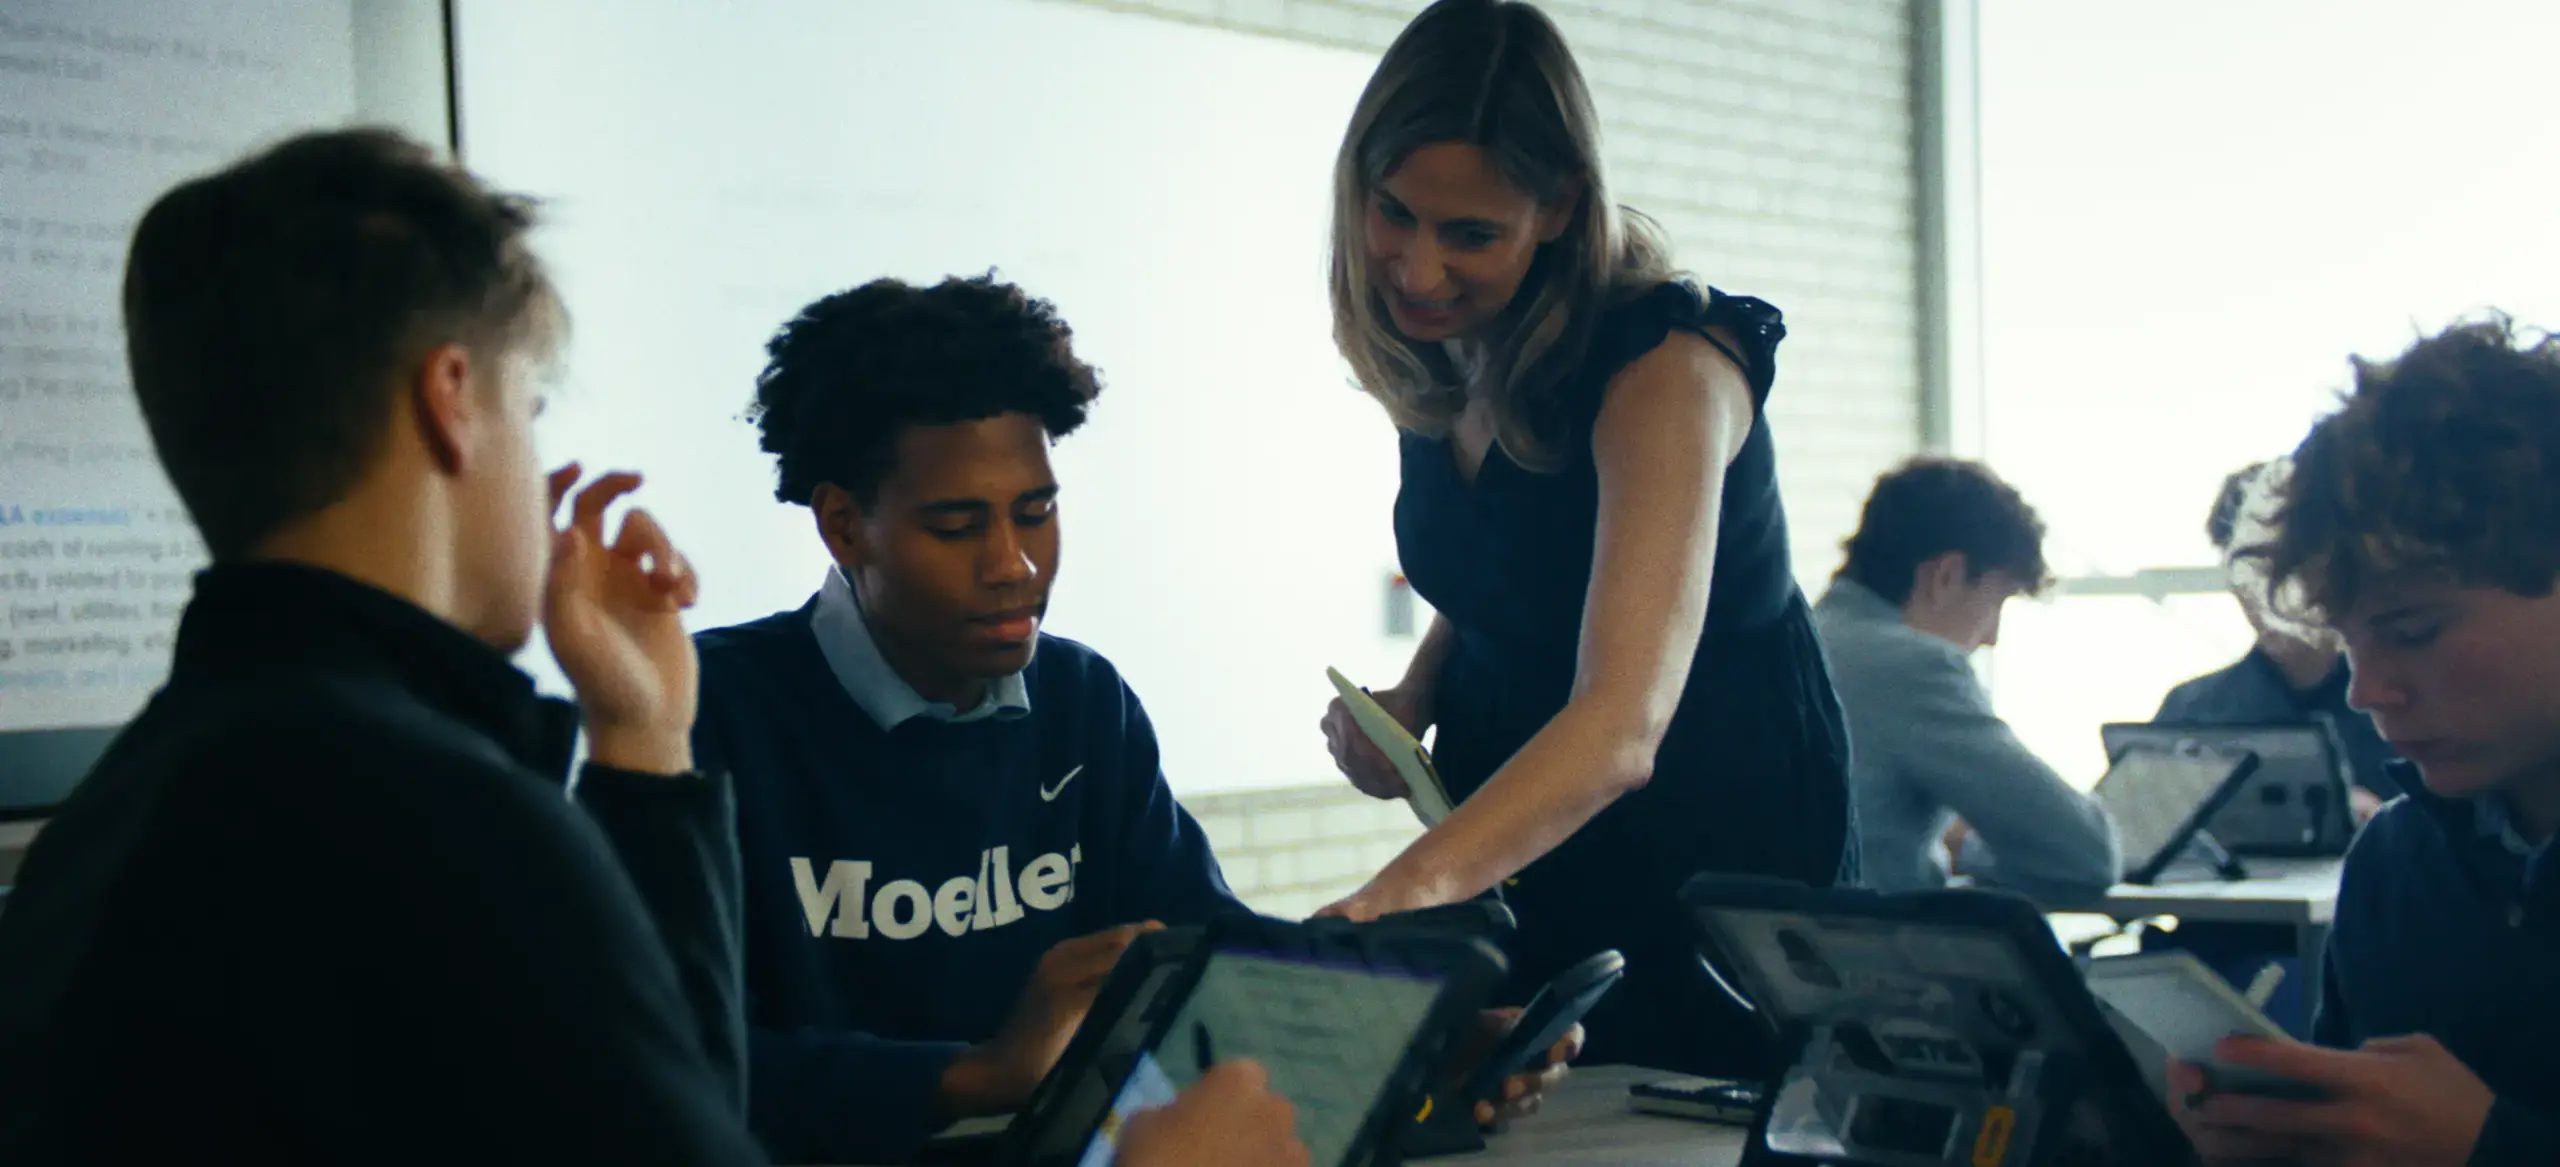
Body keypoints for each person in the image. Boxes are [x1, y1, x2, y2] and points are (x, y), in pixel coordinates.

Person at [0, 130, 1307, 1167]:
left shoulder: (117, 821)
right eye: (533, 404)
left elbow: (650, 1098)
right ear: (454, 401)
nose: (1012, 557)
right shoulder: (431, 818)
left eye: (1034, 511)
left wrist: (640, 745)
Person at [695, 273, 1574, 1164]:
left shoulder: (1084, 705)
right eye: (957, 525)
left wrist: (1405, 1049)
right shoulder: (711, 715)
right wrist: (978, 1072)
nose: (1014, 565)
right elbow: (662, 1061)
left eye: (1036, 513)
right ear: (843, 527)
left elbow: (1208, 969)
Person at [1312, 0, 1853, 1076]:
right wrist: (1413, 697)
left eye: (1470, 234)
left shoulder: (1667, 368)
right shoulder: (1447, 350)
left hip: (1707, 840)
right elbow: (1507, 567)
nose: (1418, 271)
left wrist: (1405, 888)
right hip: (1530, 824)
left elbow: (1620, 724)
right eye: (1394, 215)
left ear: (1559, 208)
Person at [2170, 317, 2560, 1166]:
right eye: (2349, 641)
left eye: (2413, 630)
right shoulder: (2397, 863)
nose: (2366, 690)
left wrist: (2490, 1151)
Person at [1813, 458, 2120, 904]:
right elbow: (2084, 854)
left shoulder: (1802, 639)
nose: (1992, 637)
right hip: (1877, 960)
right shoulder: (1911, 666)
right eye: (1996, 601)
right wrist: (1972, 848)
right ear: (1947, 576)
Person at [2154, 459, 2400, 819]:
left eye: (2283, 563)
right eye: (2244, 564)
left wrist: (2390, 820)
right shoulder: (2188, 711)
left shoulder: (2402, 700)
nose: (2267, 589)